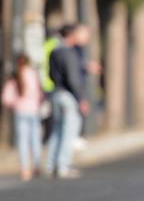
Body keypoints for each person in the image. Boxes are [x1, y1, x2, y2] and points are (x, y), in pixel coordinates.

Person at [45, 24, 90, 178]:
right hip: (69, 95)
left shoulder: (54, 51)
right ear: (71, 36)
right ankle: (63, 166)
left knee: (57, 130)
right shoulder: (69, 52)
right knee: (69, 131)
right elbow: (73, 79)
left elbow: (50, 73)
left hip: (56, 93)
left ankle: (51, 165)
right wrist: (81, 98)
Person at [2, 54, 43, 181]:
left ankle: (25, 169)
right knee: (35, 139)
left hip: (20, 111)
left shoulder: (14, 77)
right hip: (33, 110)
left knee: (23, 141)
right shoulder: (33, 74)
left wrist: (15, 103)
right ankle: (36, 165)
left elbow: (6, 98)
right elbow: (39, 93)